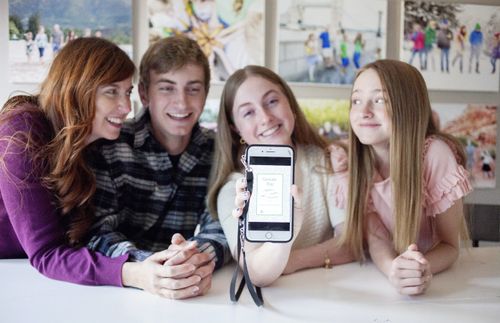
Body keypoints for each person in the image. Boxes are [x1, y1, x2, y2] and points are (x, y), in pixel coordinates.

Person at [0, 37, 158, 290]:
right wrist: (134, 274)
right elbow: (47, 253)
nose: (127, 106)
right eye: (111, 92)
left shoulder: (93, 142)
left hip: (24, 275)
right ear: (78, 89)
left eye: (128, 92)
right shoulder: (22, 132)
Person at [86, 35, 230, 299]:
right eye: (166, 88)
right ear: (144, 93)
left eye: (193, 88)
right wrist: (151, 265)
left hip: (187, 288)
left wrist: (194, 259)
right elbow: (97, 230)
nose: (182, 102)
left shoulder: (218, 151)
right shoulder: (110, 146)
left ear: (206, 93)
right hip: (118, 288)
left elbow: (223, 225)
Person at [206, 65, 353, 287]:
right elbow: (255, 271)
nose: (265, 117)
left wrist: (292, 260)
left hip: (331, 290)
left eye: (272, 101)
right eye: (248, 112)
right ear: (236, 129)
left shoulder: (326, 162)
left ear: (290, 104)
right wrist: (285, 242)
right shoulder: (234, 190)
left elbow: (349, 243)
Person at [337, 59, 472, 296]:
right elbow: (376, 238)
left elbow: (450, 246)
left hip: (441, 288)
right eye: (356, 100)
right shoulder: (354, 163)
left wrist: (418, 269)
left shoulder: (435, 155)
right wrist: (393, 270)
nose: (364, 111)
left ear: (408, 106)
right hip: (378, 283)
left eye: (379, 100)